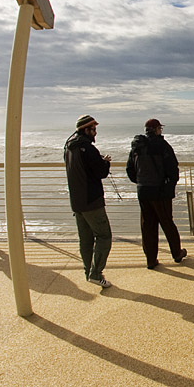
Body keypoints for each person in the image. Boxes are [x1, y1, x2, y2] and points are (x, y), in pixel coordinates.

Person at [126, 118, 187, 269]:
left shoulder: (137, 146)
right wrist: (169, 185)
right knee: (167, 223)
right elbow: (173, 169)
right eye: (160, 128)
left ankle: (151, 260)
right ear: (157, 129)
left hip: (143, 191)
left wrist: (141, 182)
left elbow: (130, 170)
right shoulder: (162, 145)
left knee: (148, 226)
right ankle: (177, 254)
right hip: (160, 192)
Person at [64, 114, 113, 288]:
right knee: (104, 236)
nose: (95, 133)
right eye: (93, 129)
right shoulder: (88, 149)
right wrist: (105, 163)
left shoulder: (69, 147)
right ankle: (95, 273)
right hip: (92, 200)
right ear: (86, 130)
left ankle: (88, 272)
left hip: (77, 201)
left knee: (85, 239)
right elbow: (100, 172)